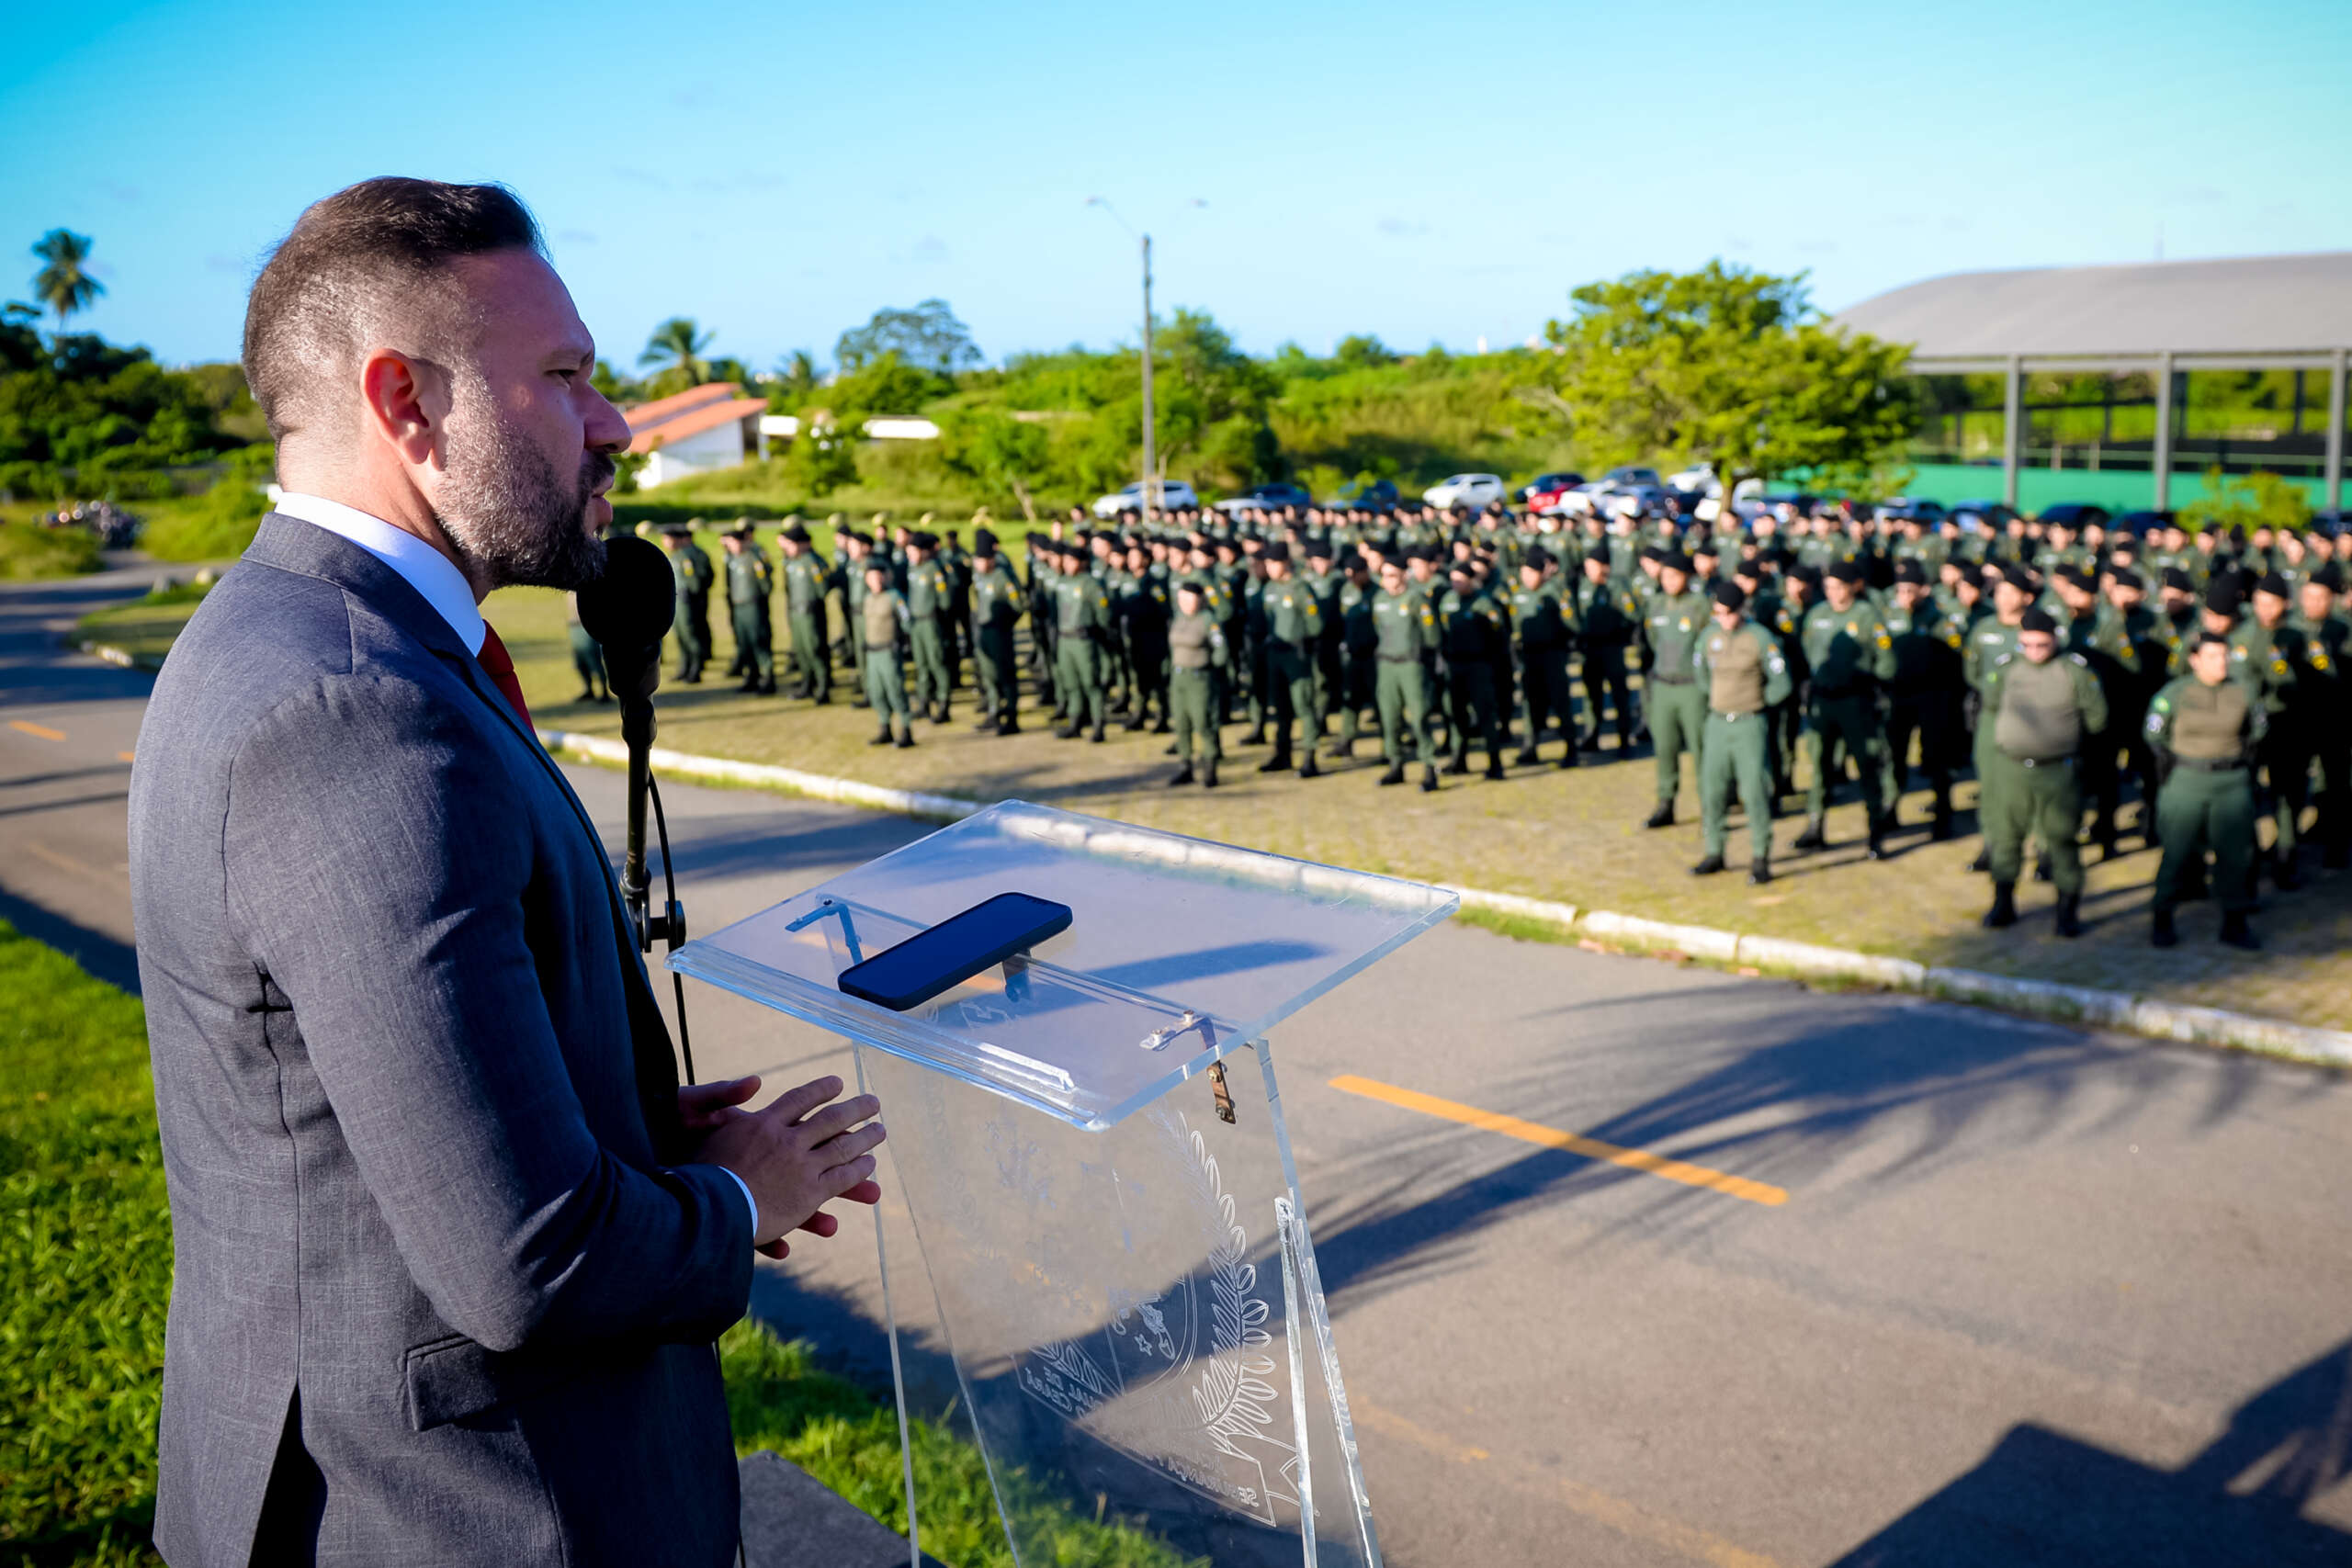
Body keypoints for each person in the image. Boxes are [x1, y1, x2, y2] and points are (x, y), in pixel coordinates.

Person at [127, 177, 884, 1567]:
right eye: (567, 377)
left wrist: (628, 1119)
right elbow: (528, 1260)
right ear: (406, 402)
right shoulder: (351, 713)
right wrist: (737, 1202)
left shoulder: (298, 638)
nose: (612, 426)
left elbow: (374, 1106)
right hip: (453, 1513)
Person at [1978, 607, 2108, 936]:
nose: (2034, 652)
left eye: (2042, 645)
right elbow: (1992, 702)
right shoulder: (2007, 669)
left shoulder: (2074, 672)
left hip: (2058, 773)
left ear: (2056, 641)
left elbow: (2097, 718)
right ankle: (2003, 902)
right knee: (2006, 837)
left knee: (2062, 840)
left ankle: (2067, 911)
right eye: (2028, 645)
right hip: (2013, 769)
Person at [2144, 632, 2265, 949]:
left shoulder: (2242, 692)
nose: (2221, 662)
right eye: (2212, 656)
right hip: (2187, 780)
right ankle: (2162, 915)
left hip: (2230, 782)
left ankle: (2234, 921)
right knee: (2178, 851)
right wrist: (2168, 762)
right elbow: (2154, 731)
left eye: (2224, 655)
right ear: (2195, 659)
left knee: (2234, 855)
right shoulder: (2176, 692)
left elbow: (2258, 729)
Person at [1692, 580, 1793, 884]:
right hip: (1717, 724)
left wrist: (1760, 703)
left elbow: (1782, 682)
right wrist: (1715, 699)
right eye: (1717, 613)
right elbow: (1700, 673)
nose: (1722, 619)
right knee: (1712, 790)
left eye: (1727, 613)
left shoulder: (1760, 638)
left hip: (1750, 723)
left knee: (1754, 792)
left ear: (1740, 610)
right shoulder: (1709, 636)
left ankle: (1760, 856)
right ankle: (1715, 851)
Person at [1793, 558, 1896, 858]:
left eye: (1839, 587)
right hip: (1823, 701)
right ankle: (1816, 824)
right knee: (1819, 765)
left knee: (1867, 765)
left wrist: (1875, 687)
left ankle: (1875, 831)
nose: (1834, 593)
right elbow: (1808, 651)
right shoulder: (1817, 615)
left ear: (1853, 587)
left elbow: (1886, 661)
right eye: (1828, 587)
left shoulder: (1867, 616)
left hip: (1856, 701)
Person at [1882, 559, 1966, 839]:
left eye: (1910, 590)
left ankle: (1942, 815)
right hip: (1899, 697)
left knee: (1937, 758)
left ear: (1924, 591)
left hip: (1932, 696)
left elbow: (1956, 660)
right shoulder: (1889, 616)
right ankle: (1891, 809)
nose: (1904, 596)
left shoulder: (1940, 620)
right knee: (1894, 756)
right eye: (1900, 590)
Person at [1639, 551, 1709, 827]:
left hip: (1691, 687)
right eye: (1665, 576)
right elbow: (1653, 640)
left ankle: (1710, 804)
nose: (1669, 581)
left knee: (1700, 748)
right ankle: (1665, 802)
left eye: (1675, 576)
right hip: (1663, 686)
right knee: (1665, 748)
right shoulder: (1655, 604)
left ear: (1687, 577)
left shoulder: (1700, 605)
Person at [1372, 557, 1442, 792]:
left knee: (1419, 717)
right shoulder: (1379, 599)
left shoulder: (1416, 599)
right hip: (1387, 665)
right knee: (1389, 718)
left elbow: (1431, 635)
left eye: (1392, 575)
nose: (1387, 581)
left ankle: (1429, 767)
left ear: (1404, 575)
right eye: (1384, 575)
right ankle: (1396, 764)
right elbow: (1378, 629)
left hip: (1411, 665)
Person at [1257, 543, 1326, 776]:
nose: (1269, 568)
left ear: (1285, 562)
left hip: (1296, 655)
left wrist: (1302, 641)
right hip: (1275, 654)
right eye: (1266, 563)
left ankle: (1309, 757)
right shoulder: (1269, 589)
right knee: (1281, 708)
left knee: (1304, 706)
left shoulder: (1300, 589)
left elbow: (1315, 624)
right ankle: (1282, 753)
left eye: (1273, 563)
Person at [1438, 561, 1510, 780]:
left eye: (1460, 580)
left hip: (1478, 665)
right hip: (1455, 665)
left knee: (1485, 714)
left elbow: (1499, 634)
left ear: (1471, 580)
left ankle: (1494, 762)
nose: (1456, 584)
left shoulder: (1484, 603)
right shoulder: (1447, 601)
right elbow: (1441, 630)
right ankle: (1459, 759)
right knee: (1457, 714)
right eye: (1453, 580)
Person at [1509, 548, 1579, 769]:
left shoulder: (1555, 592)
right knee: (1531, 704)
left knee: (1560, 702)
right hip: (1529, 656)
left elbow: (1572, 623)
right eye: (1524, 573)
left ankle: (1571, 748)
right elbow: (1514, 624)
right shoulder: (1519, 595)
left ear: (1541, 573)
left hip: (1552, 655)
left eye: (1531, 572)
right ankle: (1530, 747)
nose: (1526, 577)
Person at [1575, 552, 1641, 754]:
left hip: (1612, 648)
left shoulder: (1617, 586)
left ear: (1604, 566)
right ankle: (1591, 736)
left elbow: (1633, 614)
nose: (1589, 570)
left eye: (1592, 565)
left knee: (1619, 695)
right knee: (1591, 696)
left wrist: (1620, 632)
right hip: (1590, 649)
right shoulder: (1584, 586)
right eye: (1587, 566)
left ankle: (1623, 740)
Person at [1166, 578, 1228, 787]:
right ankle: (1185, 767)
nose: (1186, 604)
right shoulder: (1178, 617)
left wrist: (1210, 667)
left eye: (1190, 599)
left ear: (1200, 600)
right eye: (1182, 599)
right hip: (1179, 677)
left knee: (1203, 723)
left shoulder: (1207, 619)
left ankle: (1210, 769)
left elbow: (1221, 649)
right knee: (1181, 723)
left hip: (1199, 678)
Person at [1052, 541, 1113, 742]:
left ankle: (1098, 725)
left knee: (1091, 684)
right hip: (1065, 639)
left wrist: (1100, 633)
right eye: (1066, 560)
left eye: (1072, 560)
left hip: (1083, 640)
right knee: (1071, 683)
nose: (1068, 564)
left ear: (1082, 562)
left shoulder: (1090, 583)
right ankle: (1075, 722)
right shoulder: (1062, 582)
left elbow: (1103, 613)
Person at [967, 531, 1023, 734]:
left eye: (981, 560)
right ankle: (994, 711)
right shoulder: (978, 577)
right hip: (983, 631)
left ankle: (1012, 716)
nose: (978, 563)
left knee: (1006, 675)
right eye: (976, 560)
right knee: (988, 674)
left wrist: (1004, 623)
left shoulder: (1002, 578)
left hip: (999, 632)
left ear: (991, 560)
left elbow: (1019, 605)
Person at [860, 558, 916, 747]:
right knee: (877, 692)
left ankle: (906, 730)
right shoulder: (867, 599)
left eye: (878, 577)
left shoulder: (895, 597)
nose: (875, 581)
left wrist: (906, 643)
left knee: (896, 690)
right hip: (872, 653)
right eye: (871, 577)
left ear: (884, 577)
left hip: (888, 652)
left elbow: (907, 620)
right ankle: (885, 728)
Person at [719, 519, 775, 695]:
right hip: (739, 607)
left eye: (736, 542)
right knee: (745, 643)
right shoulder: (734, 560)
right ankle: (751, 676)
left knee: (759, 642)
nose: (733, 546)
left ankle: (768, 679)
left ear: (744, 542)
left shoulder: (754, 559)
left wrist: (758, 600)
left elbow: (766, 585)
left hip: (752, 606)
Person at [778, 520, 831, 704]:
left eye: (792, 544)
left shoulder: (812, 562)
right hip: (796, 613)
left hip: (810, 613)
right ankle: (807, 685)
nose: (789, 548)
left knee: (815, 650)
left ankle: (823, 688)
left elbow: (822, 589)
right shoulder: (792, 562)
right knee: (801, 650)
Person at [904, 530, 953, 724]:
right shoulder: (913, 569)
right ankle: (923, 702)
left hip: (931, 622)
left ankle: (943, 704)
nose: (910, 555)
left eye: (913, 551)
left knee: (937, 662)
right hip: (916, 623)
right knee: (921, 664)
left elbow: (945, 600)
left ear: (923, 551)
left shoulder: (934, 569)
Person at [660, 519, 713, 682]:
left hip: (686, 602)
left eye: (667, 538)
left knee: (691, 636)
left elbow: (695, 583)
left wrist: (692, 598)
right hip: (677, 602)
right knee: (681, 636)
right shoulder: (675, 555)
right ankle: (685, 667)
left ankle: (695, 669)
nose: (665, 542)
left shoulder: (686, 557)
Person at [565, 589, 610, 703]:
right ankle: (589, 690)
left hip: (585, 626)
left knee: (593, 661)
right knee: (580, 662)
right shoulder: (569, 582)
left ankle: (604, 692)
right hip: (573, 625)